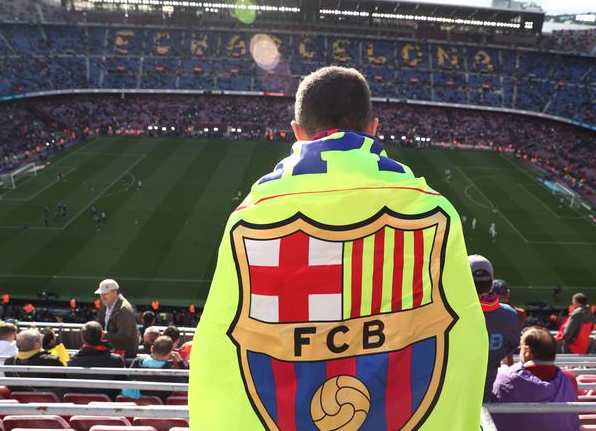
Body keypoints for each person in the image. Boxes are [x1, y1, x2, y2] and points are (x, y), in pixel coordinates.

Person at [190, 66, 488, 430]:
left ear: (297, 132)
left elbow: (221, 346)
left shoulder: (251, 216)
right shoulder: (434, 211)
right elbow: (464, 338)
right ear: (374, 128)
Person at [491, 326, 579, 431]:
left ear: (527, 351)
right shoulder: (570, 379)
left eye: (520, 347)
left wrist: (504, 368)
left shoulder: (504, 377)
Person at [469, 255, 521, 402]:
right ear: (491, 281)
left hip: (451, 396)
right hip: (487, 392)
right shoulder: (510, 315)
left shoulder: (449, 313)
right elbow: (510, 348)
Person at [68, 321, 126, 399]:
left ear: (83, 339)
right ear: (102, 335)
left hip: (79, 407)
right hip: (109, 407)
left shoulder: (72, 363)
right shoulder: (116, 360)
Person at [123, 336, 186, 402]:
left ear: (151, 348)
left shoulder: (137, 361)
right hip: (160, 409)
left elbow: (129, 378)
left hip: (136, 405)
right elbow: (185, 384)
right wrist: (180, 363)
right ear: (169, 354)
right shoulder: (169, 369)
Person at [95, 279, 141, 358]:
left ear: (115, 292)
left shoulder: (124, 309)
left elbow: (124, 336)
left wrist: (104, 335)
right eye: (101, 293)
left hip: (124, 354)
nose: (102, 296)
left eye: (105, 293)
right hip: (113, 352)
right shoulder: (106, 305)